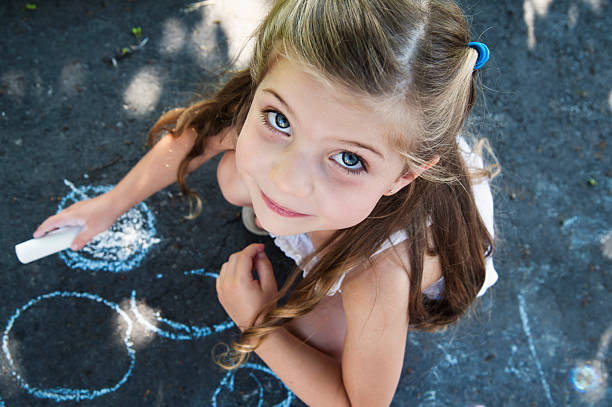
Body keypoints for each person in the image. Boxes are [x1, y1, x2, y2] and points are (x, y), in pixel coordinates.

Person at [34, 0, 499, 404]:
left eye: (348, 158)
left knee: (316, 337)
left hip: (379, 247)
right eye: (279, 121)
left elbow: (359, 402)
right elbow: (196, 135)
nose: (286, 180)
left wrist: (256, 321)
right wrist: (109, 205)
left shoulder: (378, 278)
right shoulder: (309, 94)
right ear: (263, 86)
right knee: (234, 177)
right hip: (350, 204)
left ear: (402, 175)